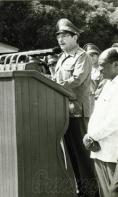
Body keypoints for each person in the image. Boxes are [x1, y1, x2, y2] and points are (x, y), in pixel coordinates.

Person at [54, 18, 98, 196]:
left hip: (78, 111)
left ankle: (92, 192)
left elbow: (77, 79)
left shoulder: (82, 56)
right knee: (71, 156)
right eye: (58, 36)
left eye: (65, 36)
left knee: (83, 156)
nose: (60, 39)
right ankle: (81, 190)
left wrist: (55, 85)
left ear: (75, 37)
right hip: (64, 112)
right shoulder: (62, 57)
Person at [83, 47, 118, 197]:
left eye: (103, 64)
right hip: (100, 150)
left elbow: (114, 120)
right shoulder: (108, 83)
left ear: (116, 64)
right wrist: (90, 135)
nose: (99, 68)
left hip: (111, 152)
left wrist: (92, 135)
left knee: (112, 193)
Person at [83, 43, 103, 114]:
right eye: (88, 56)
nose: (91, 58)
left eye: (92, 55)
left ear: (98, 56)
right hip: (88, 101)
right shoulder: (86, 69)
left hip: (100, 100)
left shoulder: (103, 69)